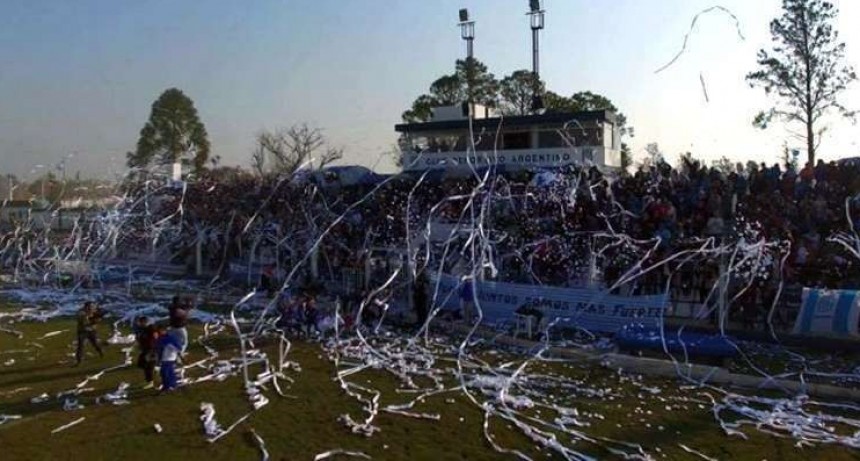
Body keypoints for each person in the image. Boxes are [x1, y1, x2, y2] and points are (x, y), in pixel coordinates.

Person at [74, 301, 104, 366]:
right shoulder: (81, 313)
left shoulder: (94, 311)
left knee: (95, 343)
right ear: (86, 307)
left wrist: (98, 318)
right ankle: (79, 361)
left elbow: (100, 315)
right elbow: (84, 322)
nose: (92, 308)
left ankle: (101, 352)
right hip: (82, 331)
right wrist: (92, 319)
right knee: (80, 346)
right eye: (90, 307)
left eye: (92, 307)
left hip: (91, 331)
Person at [156, 324, 183, 393]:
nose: (159, 332)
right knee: (169, 371)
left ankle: (167, 387)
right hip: (165, 357)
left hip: (168, 357)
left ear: (164, 330)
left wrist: (177, 353)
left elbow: (177, 347)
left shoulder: (169, 338)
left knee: (164, 372)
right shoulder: (161, 337)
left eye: (160, 331)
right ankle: (172, 385)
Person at [133, 316, 159, 388]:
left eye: (142, 322)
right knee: (141, 364)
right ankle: (152, 372)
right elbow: (140, 337)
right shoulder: (142, 329)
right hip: (145, 349)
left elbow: (155, 338)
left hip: (151, 350)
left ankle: (150, 382)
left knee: (148, 366)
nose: (140, 324)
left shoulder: (152, 329)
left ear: (146, 322)